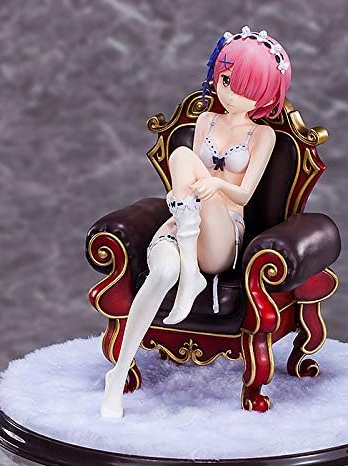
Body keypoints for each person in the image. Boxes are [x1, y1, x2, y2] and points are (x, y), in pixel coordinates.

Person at [101, 26, 292, 418]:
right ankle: (117, 376)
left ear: (265, 94)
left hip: (221, 234)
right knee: (162, 270)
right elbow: (184, 179)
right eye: (226, 81)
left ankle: (192, 268)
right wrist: (196, 188)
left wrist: (215, 184)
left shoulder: (262, 136)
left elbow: (244, 195)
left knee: (191, 167)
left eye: (245, 88)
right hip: (181, 224)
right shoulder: (205, 120)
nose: (231, 94)